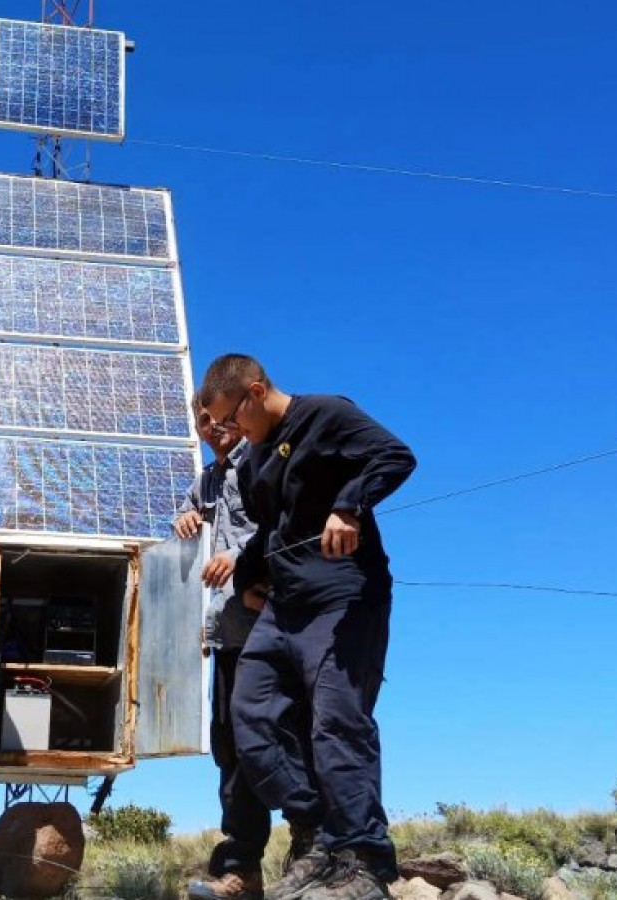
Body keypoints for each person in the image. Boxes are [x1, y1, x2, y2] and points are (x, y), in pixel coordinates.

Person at [196, 354, 417, 900]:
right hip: (282, 608)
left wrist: (349, 506)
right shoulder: (255, 461)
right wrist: (249, 576)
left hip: (344, 596)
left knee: (337, 723)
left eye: (232, 418)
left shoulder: (324, 414)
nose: (229, 431)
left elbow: (395, 455)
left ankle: (364, 861)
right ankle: (319, 832)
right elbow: (270, 530)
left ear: (255, 391)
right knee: (248, 716)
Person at [174, 399, 272, 900]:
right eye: (203, 423)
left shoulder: (267, 461)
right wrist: (186, 516)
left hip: (275, 631)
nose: (214, 429)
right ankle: (242, 870)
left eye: (221, 419)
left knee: (282, 741)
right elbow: (191, 510)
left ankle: (319, 855)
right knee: (231, 748)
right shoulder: (207, 482)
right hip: (229, 637)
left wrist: (239, 556)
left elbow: (287, 526)